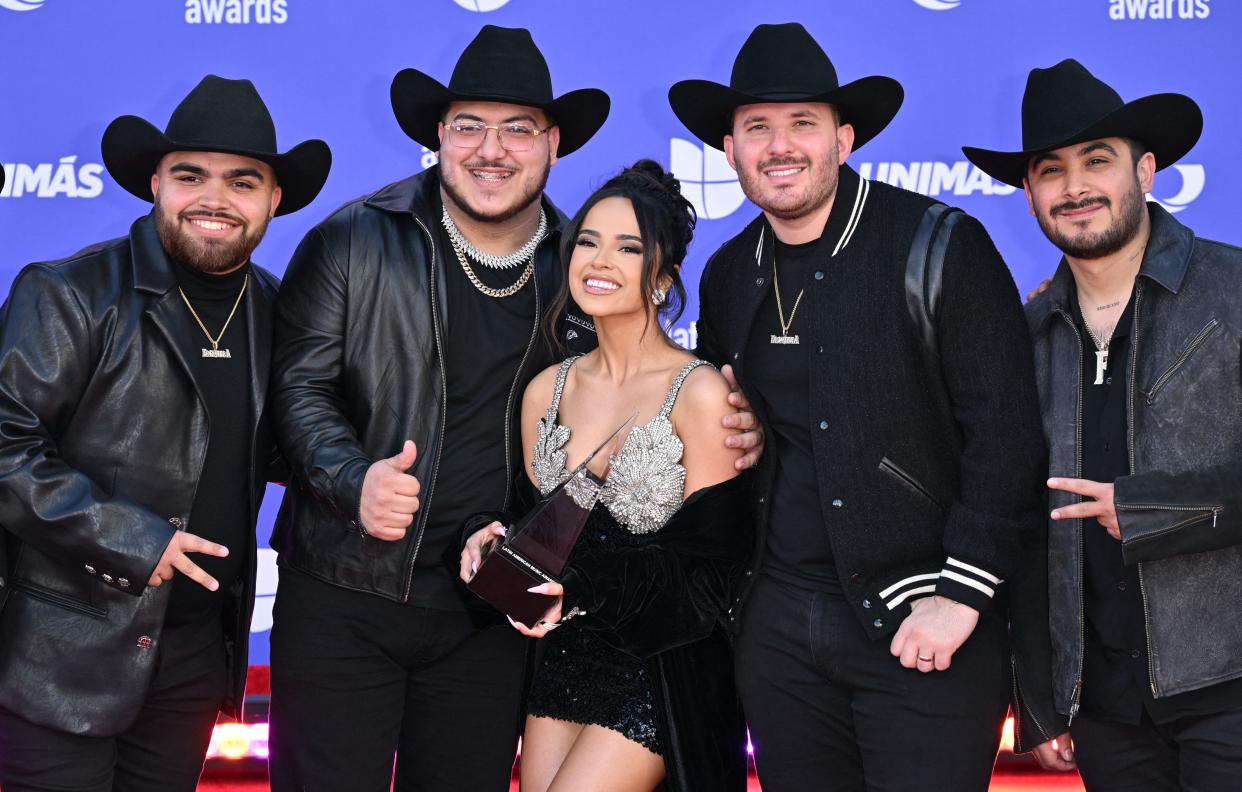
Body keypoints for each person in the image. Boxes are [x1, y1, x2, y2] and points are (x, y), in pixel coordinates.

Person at [268, 26, 762, 792]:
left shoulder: (572, 270)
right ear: (440, 135)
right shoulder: (356, 241)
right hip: (347, 594)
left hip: (492, 619)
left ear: (553, 143)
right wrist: (351, 476)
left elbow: (653, 515)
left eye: (518, 129)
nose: (491, 149)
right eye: (470, 126)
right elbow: (295, 391)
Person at [669, 22, 1049, 791]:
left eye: (802, 124)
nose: (780, 146)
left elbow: (1007, 433)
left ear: (843, 139)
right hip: (777, 630)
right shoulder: (729, 272)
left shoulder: (937, 245)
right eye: (756, 129)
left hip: (922, 615)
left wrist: (962, 592)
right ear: (731, 150)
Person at [0, 75, 329, 792]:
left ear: (275, 199)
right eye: (190, 175)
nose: (215, 199)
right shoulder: (69, 293)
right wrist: (137, 541)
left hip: (195, 658)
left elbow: (286, 445)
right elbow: (6, 447)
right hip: (65, 646)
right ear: (155, 183)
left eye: (242, 181)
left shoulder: (278, 311)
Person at [964, 58, 1242, 792]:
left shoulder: (1234, 292)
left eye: (1097, 161)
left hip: (1231, 685)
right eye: (1050, 171)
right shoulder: (1022, 340)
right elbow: (1014, 522)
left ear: (1145, 171)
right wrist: (1047, 698)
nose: (1075, 187)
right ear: (1029, 196)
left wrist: (1151, 511)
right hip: (1105, 713)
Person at [461, 159, 750, 792]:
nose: (598, 260)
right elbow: (537, 525)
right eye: (587, 241)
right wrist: (491, 538)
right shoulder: (547, 389)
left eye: (627, 247)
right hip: (565, 656)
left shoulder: (699, 392)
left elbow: (711, 570)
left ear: (662, 277)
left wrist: (584, 588)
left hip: (660, 665)